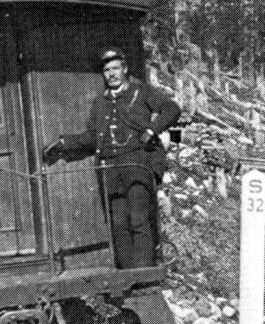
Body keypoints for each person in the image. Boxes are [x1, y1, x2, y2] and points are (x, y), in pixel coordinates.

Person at [43, 47, 181, 269]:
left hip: (138, 163)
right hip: (110, 168)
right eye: (107, 70)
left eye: (116, 68)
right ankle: (126, 275)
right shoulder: (100, 102)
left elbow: (172, 109)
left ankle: (144, 275)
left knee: (138, 219)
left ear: (125, 69)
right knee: (118, 224)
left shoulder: (141, 92)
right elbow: (91, 137)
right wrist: (63, 143)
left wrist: (153, 130)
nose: (112, 74)